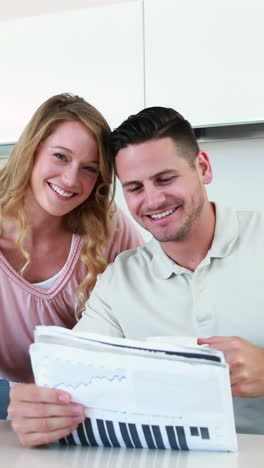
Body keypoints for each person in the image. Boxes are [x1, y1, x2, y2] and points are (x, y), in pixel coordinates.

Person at [9, 106, 264, 447]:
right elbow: (70, 382)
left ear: (202, 167)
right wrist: (37, 409)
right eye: (134, 187)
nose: (153, 200)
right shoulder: (119, 280)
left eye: (165, 179)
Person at [0, 93, 144, 386]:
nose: (70, 179)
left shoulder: (108, 225)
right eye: (61, 156)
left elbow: (148, 304)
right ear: (32, 150)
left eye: (89, 168)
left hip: (81, 386)